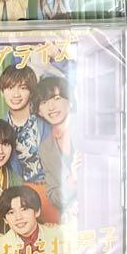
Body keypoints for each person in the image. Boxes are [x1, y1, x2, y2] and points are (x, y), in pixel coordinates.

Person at [0, 65, 55, 220]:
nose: (16, 94)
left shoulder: (46, 121)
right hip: (18, 201)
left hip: (49, 194)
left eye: (22, 88)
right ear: (2, 92)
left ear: (31, 91)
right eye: (10, 88)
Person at [0, 185, 69, 254]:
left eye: (24, 209)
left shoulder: (62, 237)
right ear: (5, 219)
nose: (18, 217)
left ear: (37, 211)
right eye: (11, 212)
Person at [33, 77, 78, 216]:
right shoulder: (45, 148)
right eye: (44, 102)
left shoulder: (87, 128)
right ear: (39, 111)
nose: (51, 107)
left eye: (57, 98)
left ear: (70, 101)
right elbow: (53, 196)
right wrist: (72, 180)